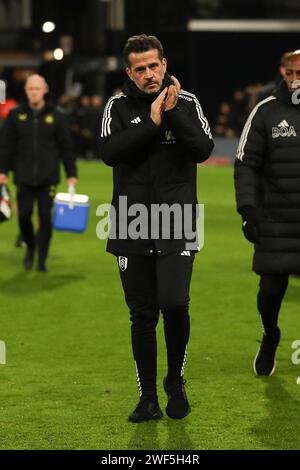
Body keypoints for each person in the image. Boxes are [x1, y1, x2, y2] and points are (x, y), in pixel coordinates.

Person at [100, 34, 213, 422]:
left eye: (154, 66)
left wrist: (173, 111)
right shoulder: (116, 106)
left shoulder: (189, 102)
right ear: (129, 72)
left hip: (177, 220)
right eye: (140, 69)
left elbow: (202, 150)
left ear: (164, 64)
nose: (149, 74)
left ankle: (175, 381)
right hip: (131, 221)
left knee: (175, 304)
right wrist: (151, 123)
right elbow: (109, 153)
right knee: (142, 314)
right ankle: (147, 398)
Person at [234, 50, 300, 377]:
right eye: (291, 72)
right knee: (271, 292)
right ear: (282, 72)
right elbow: (246, 163)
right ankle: (270, 335)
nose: (296, 78)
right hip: (276, 219)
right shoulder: (266, 112)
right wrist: (248, 210)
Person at [0, 74, 78, 272]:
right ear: (26, 91)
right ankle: (30, 246)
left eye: (37, 88)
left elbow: (66, 147)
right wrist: (2, 171)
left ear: (44, 90)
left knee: (44, 216)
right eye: (30, 88)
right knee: (24, 216)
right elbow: (6, 147)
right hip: (24, 176)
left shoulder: (57, 116)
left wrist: (71, 173)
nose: (34, 92)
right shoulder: (15, 115)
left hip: (48, 177)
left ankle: (41, 259)